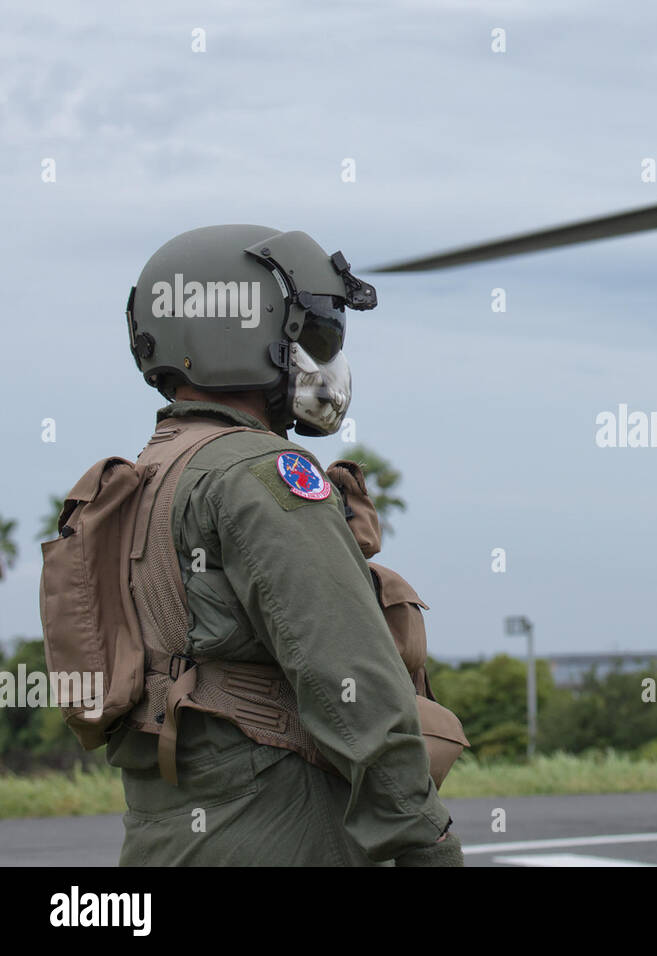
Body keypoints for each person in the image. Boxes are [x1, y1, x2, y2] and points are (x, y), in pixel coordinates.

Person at [107, 224, 460, 866]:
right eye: (311, 332)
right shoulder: (261, 474)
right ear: (248, 329)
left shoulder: (145, 476)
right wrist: (424, 844)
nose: (320, 356)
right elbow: (350, 676)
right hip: (279, 835)